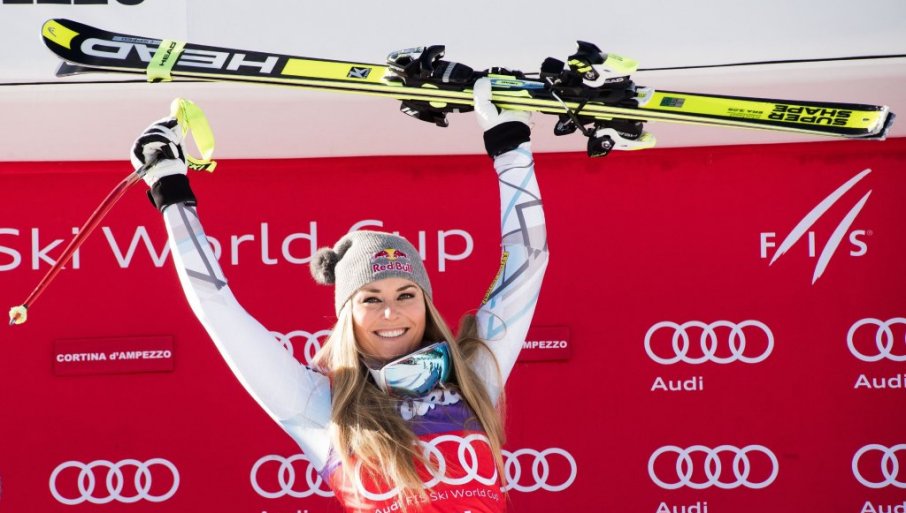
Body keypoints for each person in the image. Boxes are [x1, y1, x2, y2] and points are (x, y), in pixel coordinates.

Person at [132, 78, 548, 512]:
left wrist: (510, 146)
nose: (391, 312)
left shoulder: (471, 375)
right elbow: (218, 308)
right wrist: (169, 188)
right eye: (370, 298)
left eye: (407, 294)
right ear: (347, 314)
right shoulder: (320, 405)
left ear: (425, 303)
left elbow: (529, 258)